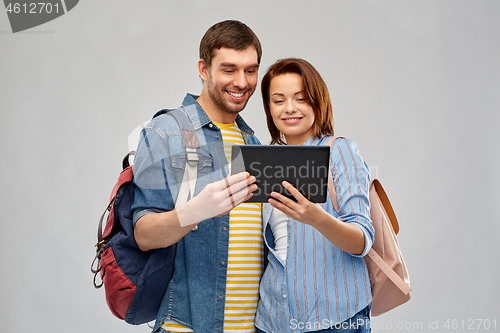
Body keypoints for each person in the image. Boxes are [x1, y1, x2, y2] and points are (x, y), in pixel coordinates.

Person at [131, 20, 264, 333]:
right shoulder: (167, 132)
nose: (242, 81)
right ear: (204, 69)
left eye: (250, 70)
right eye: (229, 69)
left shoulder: (253, 143)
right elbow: (143, 234)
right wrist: (194, 212)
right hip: (187, 327)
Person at [255, 58, 374, 333]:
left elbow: (362, 240)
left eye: (301, 98)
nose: (290, 108)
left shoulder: (339, 151)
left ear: (317, 102)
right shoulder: (262, 161)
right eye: (278, 100)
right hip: (271, 321)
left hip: (334, 321)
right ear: (269, 108)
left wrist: (316, 218)